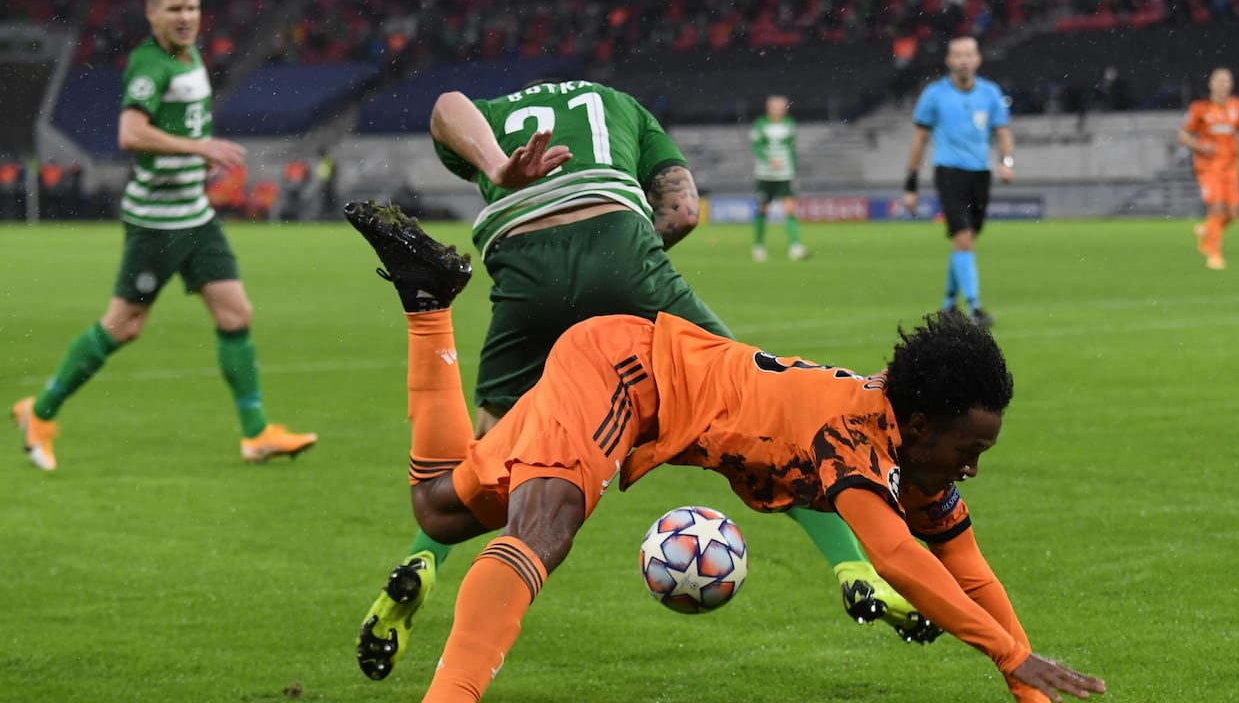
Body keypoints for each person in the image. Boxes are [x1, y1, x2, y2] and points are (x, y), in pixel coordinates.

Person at [346, 216, 1108, 703]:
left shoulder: (913, 453)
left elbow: (968, 568)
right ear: (920, 425)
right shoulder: (854, 435)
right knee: (544, 526)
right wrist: (1010, 652)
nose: (973, 469)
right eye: (970, 450)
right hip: (625, 373)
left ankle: (428, 304)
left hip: (638, 385)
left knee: (441, 511)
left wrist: (1026, 685)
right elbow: (899, 558)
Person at [350, 80, 926, 682]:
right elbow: (683, 209)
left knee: (488, 459)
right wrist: (618, 259)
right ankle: (854, 570)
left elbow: (446, 107)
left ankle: (423, 560)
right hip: (624, 256)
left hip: (526, 276)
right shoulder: (623, 105)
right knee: (764, 416)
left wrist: (498, 166)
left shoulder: (493, 112)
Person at [10, 0, 316, 470]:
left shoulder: (190, 56)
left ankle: (256, 433)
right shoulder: (149, 64)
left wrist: (197, 151)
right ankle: (40, 412)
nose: (186, 16)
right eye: (174, 8)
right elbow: (130, 133)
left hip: (194, 212)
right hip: (157, 220)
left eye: (192, 7)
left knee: (235, 314)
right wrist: (199, 148)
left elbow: (182, 123)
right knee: (124, 325)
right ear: (152, 15)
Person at [903, 36, 1014, 328]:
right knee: (963, 237)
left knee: (965, 241)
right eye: (958, 55)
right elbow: (919, 140)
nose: (963, 60)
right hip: (949, 171)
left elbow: (1002, 132)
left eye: (969, 54)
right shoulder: (934, 95)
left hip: (981, 174)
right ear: (948, 61)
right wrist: (911, 184)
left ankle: (948, 305)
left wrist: (1007, 162)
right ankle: (975, 307)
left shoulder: (990, 93)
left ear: (978, 59)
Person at [1179, 67, 1239, 270]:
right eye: (1219, 80)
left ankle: (1206, 231)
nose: (1222, 84)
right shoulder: (1199, 108)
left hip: (1231, 166)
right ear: (1210, 83)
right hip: (1208, 167)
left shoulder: (1238, 105)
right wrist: (1200, 146)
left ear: (1231, 84)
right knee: (1217, 208)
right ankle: (1214, 254)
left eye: (1226, 80)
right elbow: (1183, 135)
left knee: (1234, 215)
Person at [749, 94, 809, 262]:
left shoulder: (789, 123)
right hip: (765, 174)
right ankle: (758, 246)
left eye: (782, 108)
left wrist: (794, 171)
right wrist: (769, 159)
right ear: (769, 108)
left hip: (785, 174)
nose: (780, 111)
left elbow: (792, 149)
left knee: (790, 209)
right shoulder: (761, 123)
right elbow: (756, 147)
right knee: (763, 209)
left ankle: (795, 247)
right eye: (776, 107)